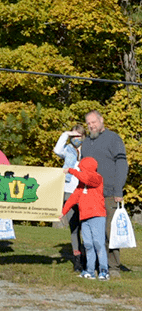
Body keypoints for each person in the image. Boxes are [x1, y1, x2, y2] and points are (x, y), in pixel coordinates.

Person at [81, 110, 128, 278]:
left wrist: (118, 190)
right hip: (89, 194)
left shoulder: (114, 139)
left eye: (94, 122)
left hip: (108, 193)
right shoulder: (86, 143)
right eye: (88, 123)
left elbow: (122, 165)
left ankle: (113, 267)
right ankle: (90, 266)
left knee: (109, 231)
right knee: (89, 231)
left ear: (101, 121)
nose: (91, 126)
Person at [61, 157, 108, 281]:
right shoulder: (81, 184)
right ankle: (90, 271)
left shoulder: (97, 178)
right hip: (85, 217)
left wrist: (71, 171)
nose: (80, 170)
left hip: (97, 216)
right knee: (88, 245)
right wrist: (63, 212)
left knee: (98, 243)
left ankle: (104, 271)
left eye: (82, 168)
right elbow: (73, 198)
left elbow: (86, 178)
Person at [53, 125, 85, 272]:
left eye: (78, 136)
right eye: (74, 136)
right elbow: (56, 150)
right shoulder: (67, 149)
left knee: (86, 226)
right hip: (68, 192)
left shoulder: (88, 150)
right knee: (74, 226)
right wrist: (66, 133)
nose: (76, 139)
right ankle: (77, 259)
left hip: (84, 191)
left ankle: (88, 257)